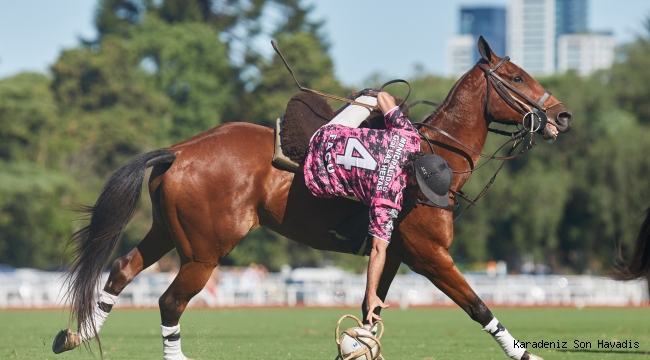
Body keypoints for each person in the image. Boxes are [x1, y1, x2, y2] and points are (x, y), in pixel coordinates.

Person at [303, 91, 454, 326]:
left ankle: (364, 96)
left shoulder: (408, 135)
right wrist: (372, 294)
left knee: (371, 96)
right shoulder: (389, 198)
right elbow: (377, 251)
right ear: (415, 181)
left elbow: (383, 96)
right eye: (425, 194)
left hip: (329, 133)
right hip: (318, 170)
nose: (423, 199)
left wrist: (380, 97)